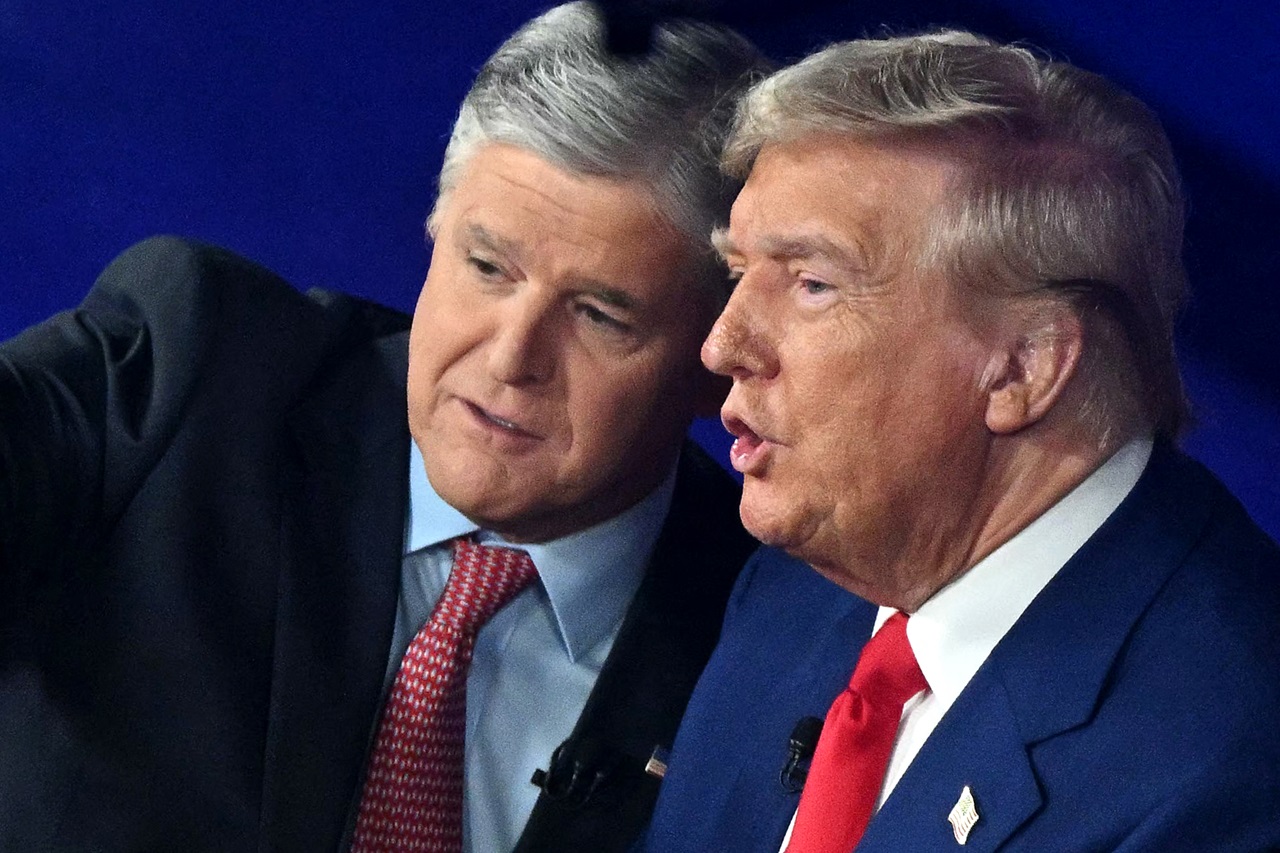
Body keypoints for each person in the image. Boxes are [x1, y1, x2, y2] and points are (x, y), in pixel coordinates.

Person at [0, 4, 768, 851]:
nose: (512, 356)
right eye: (486, 266)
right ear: (433, 230)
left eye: (598, 316)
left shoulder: (767, 636)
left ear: (716, 356)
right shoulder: (186, 371)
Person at [640, 29, 1280, 853]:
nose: (723, 345)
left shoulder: (1229, 765)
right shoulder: (794, 591)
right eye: (738, 274)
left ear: (1024, 367)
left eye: (812, 283)